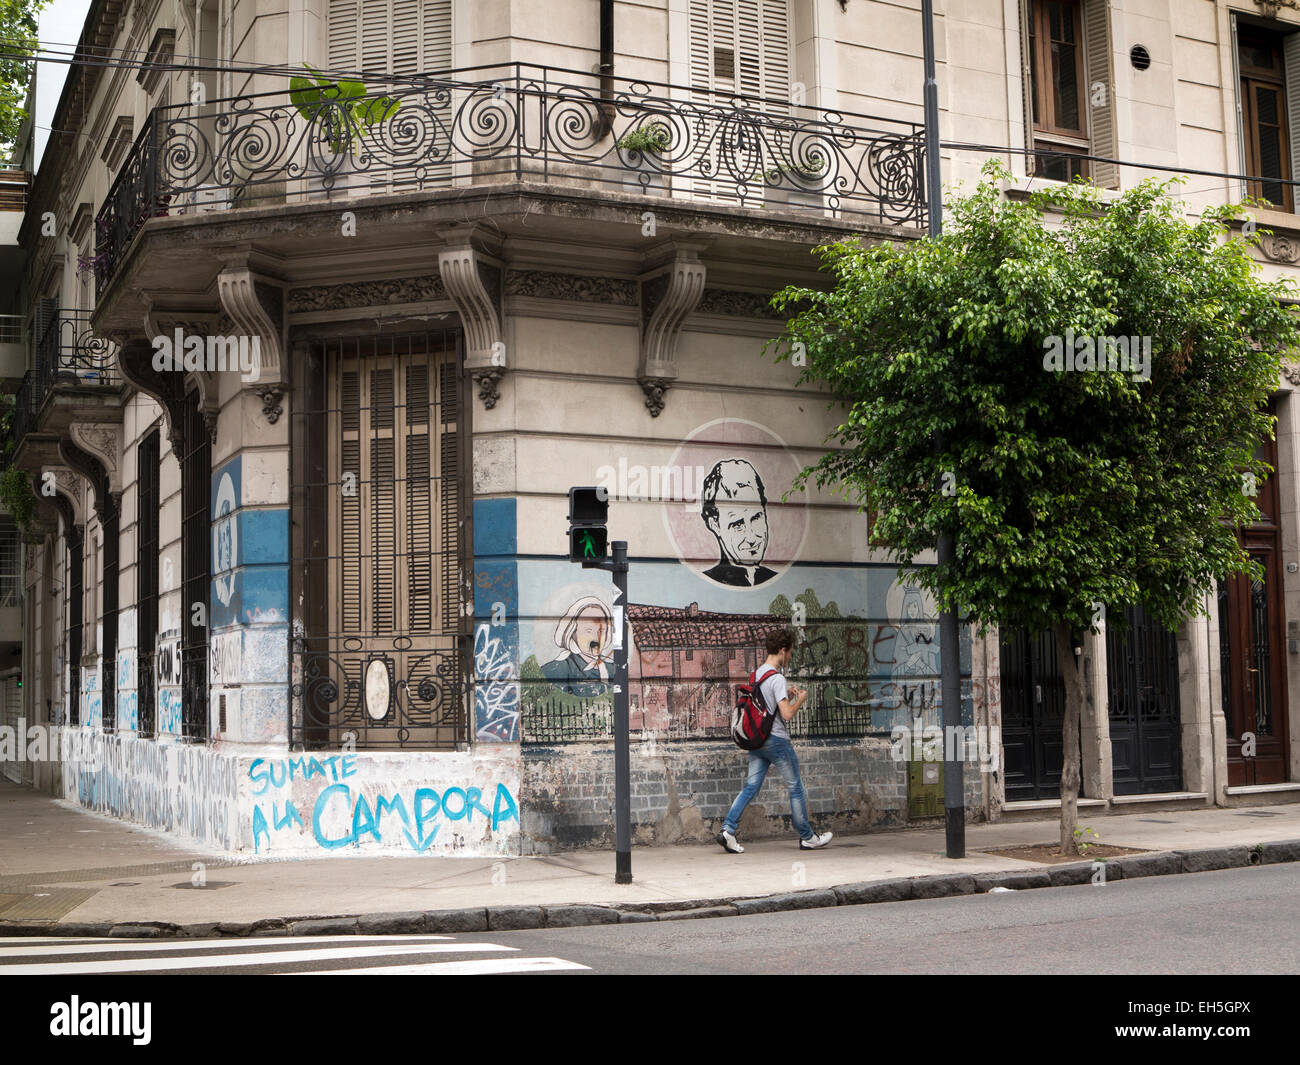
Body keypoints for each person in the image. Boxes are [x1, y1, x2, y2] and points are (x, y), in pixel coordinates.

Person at [717, 628, 833, 852]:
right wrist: (800, 699)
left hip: (757, 741)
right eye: (789, 653)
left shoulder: (757, 674)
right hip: (776, 741)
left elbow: (767, 706)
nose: (789, 657)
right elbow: (787, 714)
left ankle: (728, 831)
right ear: (781, 650)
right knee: (795, 788)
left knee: (751, 786)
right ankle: (808, 837)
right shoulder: (777, 677)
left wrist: (785, 696)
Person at [700, 458, 778, 586]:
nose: (751, 537)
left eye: (756, 518)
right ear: (715, 524)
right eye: (737, 525)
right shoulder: (706, 582)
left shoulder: (774, 579)